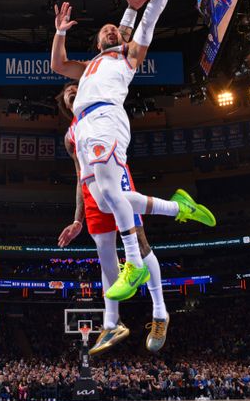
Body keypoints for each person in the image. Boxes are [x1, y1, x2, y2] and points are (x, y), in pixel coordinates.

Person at [50, 0, 215, 301]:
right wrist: (60, 31)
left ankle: (135, 264)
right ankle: (179, 208)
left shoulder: (128, 56)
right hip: (88, 126)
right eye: (105, 30)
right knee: (113, 197)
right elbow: (59, 65)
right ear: (96, 42)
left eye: (116, 30)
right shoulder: (89, 67)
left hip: (108, 117)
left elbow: (149, 18)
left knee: (114, 197)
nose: (112, 31)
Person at [58, 80, 203, 354]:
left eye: (77, 89)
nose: (73, 93)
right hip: (90, 192)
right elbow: (78, 176)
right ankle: (113, 322)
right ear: (66, 106)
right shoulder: (70, 136)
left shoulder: (104, 110)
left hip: (115, 178)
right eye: (68, 94)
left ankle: (160, 312)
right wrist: (77, 218)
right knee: (105, 256)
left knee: (139, 244)